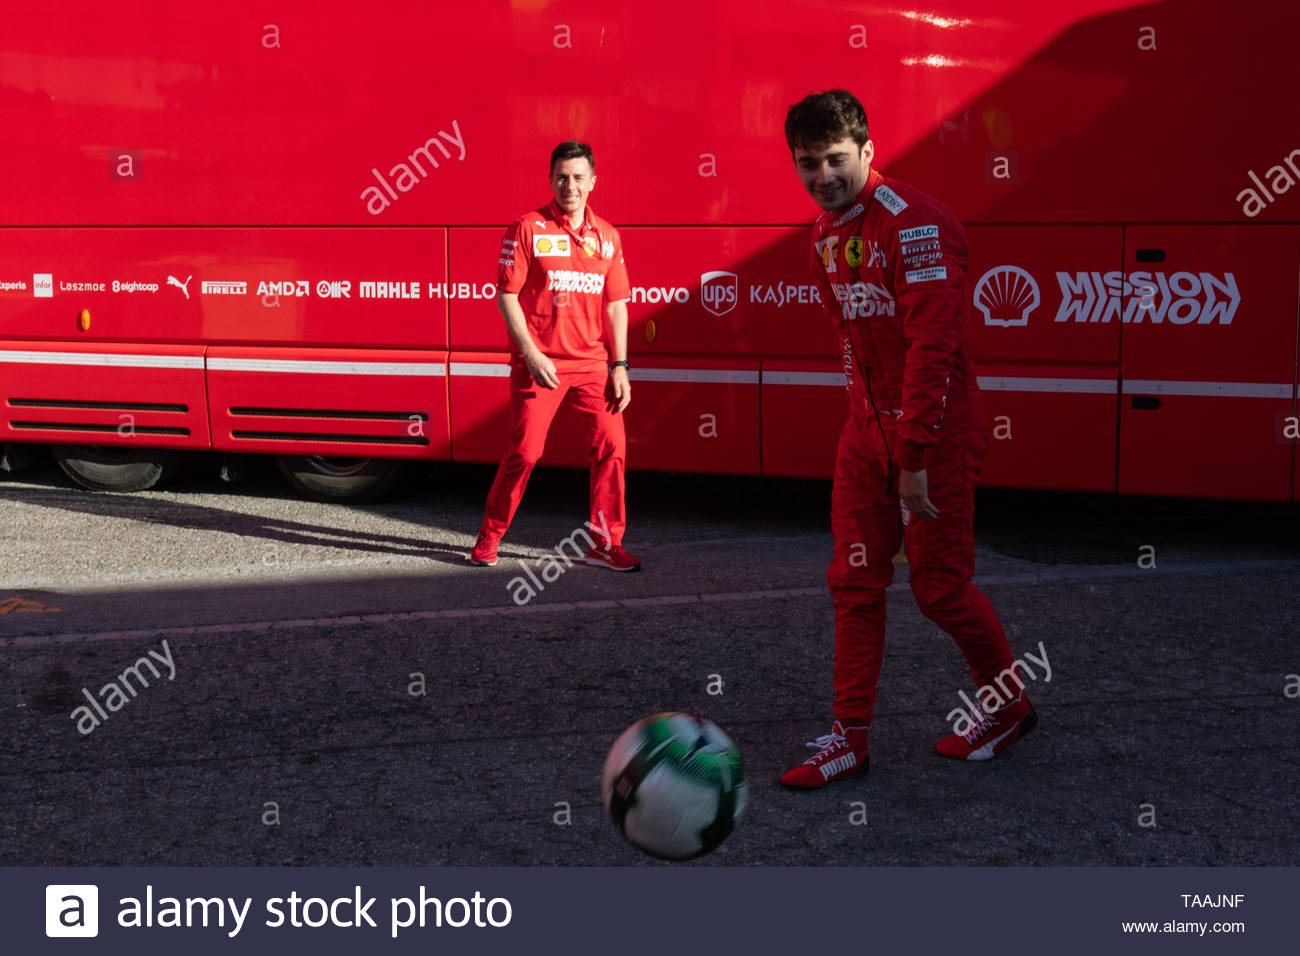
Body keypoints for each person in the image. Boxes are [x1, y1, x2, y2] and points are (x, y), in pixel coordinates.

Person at [780, 90, 1037, 788]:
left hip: (936, 436)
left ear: (867, 151)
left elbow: (933, 347)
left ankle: (1009, 707)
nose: (822, 176)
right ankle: (849, 740)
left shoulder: (916, 222)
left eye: (835, 160)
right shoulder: (824, 235)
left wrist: (915, 457)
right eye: (807, 164)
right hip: (866, 437)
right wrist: (867, 432)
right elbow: (850, 342)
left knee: (940, 589)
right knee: (853, 584)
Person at [469, 140, 641, 572]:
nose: (571, 186)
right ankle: (489, 537)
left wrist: (620, 366)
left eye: (579, 177)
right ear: (550, 180)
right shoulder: (528, 227)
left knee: (613, 448)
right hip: (540, 363)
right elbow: (506, 295)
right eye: (562, 177)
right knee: (524, 453)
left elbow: (616, 305)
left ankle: (605, 543)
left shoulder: (608, 238)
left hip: (591, 366)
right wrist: (530, 352)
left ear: (593, 183)